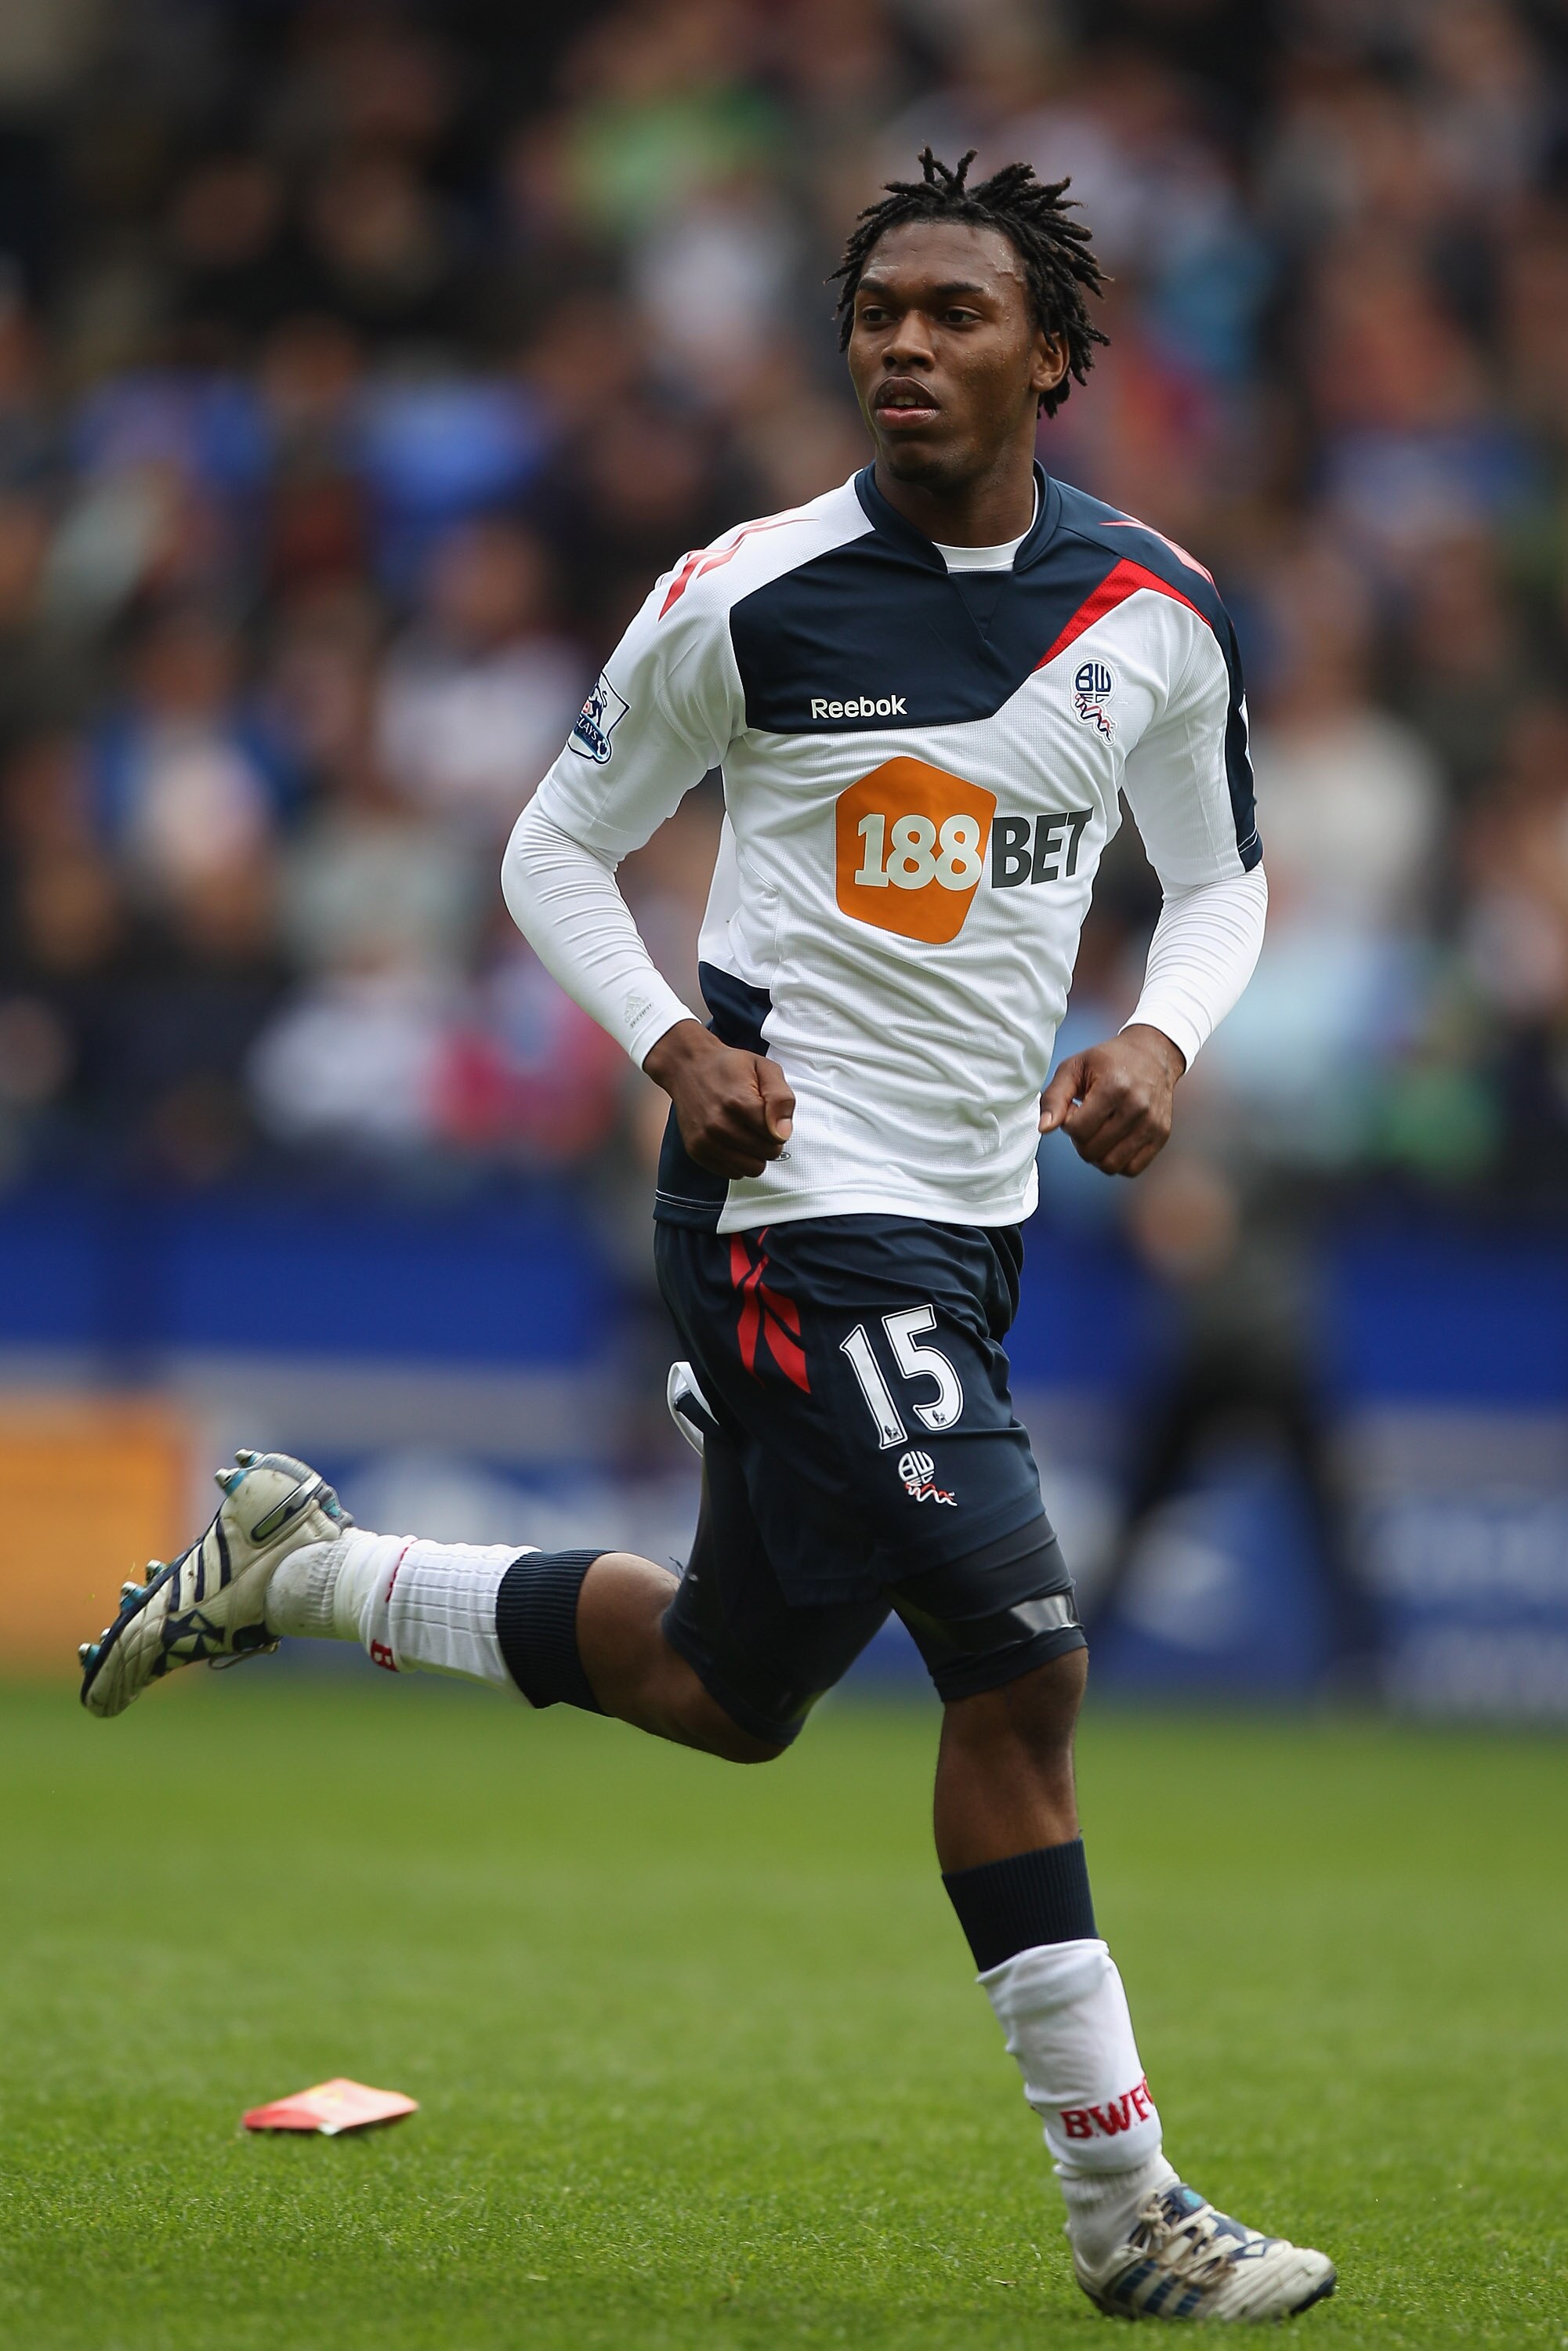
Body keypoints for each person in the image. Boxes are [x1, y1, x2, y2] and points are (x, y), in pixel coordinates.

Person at [78, 151, 1333, 2324]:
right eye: (878, 314)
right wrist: (669, 1044)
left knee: (732, 1686)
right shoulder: (743, 595)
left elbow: (1219, 878)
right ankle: (1126, 2211)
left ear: (1054, 355)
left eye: (954, 314)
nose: (905, 346)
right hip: (780, 1202)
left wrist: (1164, 1031)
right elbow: (552, 851)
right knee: (1020, 1664)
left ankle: (302, 1567)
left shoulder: (1154, 611)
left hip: (970, 1219)